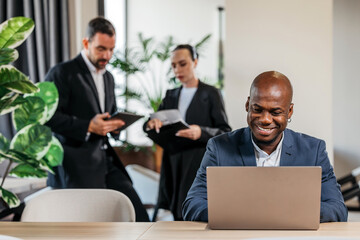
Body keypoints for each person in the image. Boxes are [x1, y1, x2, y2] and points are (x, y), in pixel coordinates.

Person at [182, 71, 348, 223]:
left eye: (275, 112)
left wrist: (284, 212)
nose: (266, 119)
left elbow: (337, 208)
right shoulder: (218, 148)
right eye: (257, 109)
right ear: (248, 105)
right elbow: (192, 205)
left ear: (289, 112)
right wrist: (244, 213)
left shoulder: (314, 150)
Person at [45, 17, 149, 222]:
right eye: (101, 49)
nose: (107, 56)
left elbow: (108, 113)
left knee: (139, 215)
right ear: (86, 43)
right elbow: (48, 117)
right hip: (75, 165)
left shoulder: (109, 77)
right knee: (89, 227)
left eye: (111, 49)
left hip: (106, 160)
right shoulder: (62, 73)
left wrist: (116, 126)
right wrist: (88, 126)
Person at [144, 44, 231, 220]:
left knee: (195, 210)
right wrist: (151, 124)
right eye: (174, 65)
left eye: (182, 64)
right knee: (175, 210)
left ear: (195, 62)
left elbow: (225, 132)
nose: (178, 70)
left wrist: (201, 132)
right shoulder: (170, 95)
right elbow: (151, 123)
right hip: (173, 162)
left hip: (196, 161)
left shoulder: (211, 93)